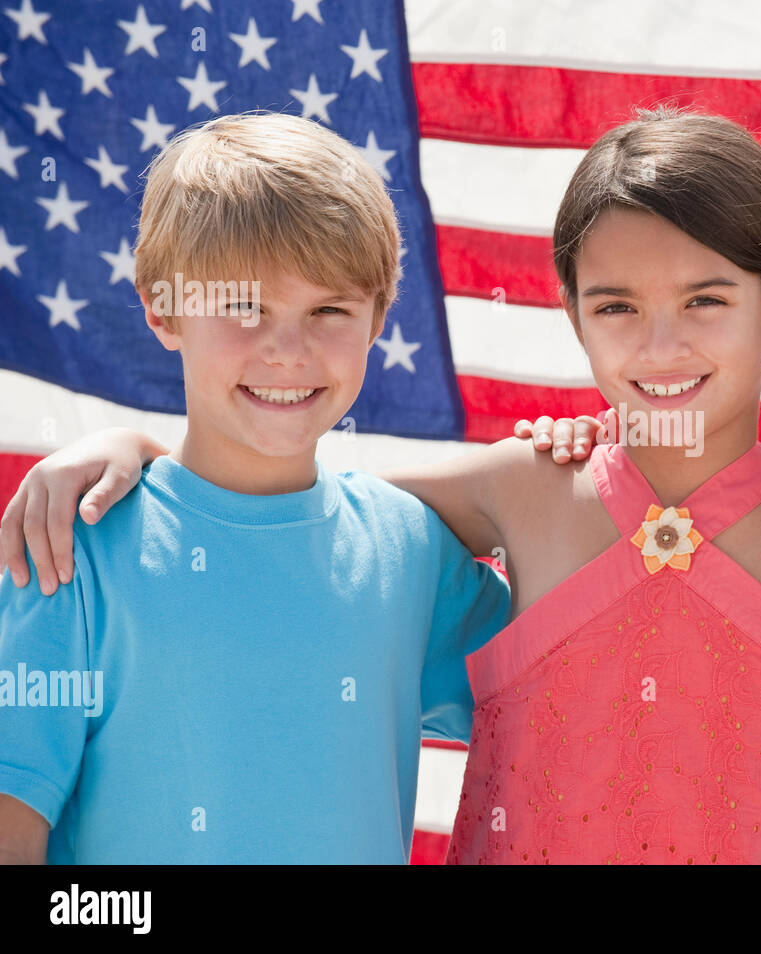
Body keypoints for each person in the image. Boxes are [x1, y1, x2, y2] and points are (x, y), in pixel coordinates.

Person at [1, 108, 761, 864]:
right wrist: (138, 448)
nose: (662, 345)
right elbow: (290, 469)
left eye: (706, 300)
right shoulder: (518, 492)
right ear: (572, 319)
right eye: (618, 308)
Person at [0, 113, 510, 863]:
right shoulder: (69, 553)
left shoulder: (411, 550)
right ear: (162, 309)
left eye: (330, 310)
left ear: (377, 320)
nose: (287, 351)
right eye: (243, 308)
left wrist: (550, 470)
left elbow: (576, 704)